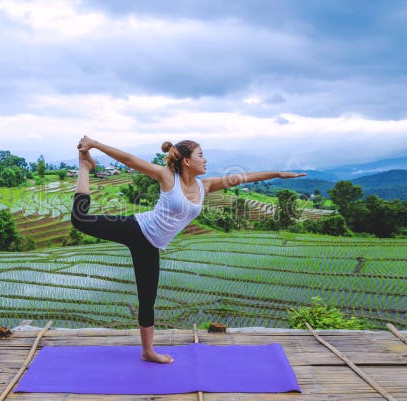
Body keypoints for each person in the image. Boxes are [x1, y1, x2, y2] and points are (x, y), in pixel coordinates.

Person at [72, 136, 306, 363]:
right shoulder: (167, 177)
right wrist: (95, 144)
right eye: (201, 155)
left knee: (147, 299)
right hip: (136, 228)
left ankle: (147, 351)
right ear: (187, 161)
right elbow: (131, 160)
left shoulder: (205, 186)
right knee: (79, 219)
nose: (205, 160)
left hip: (151, 246)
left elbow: (242, 178)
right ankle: (85, 166)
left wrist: (276, 174)